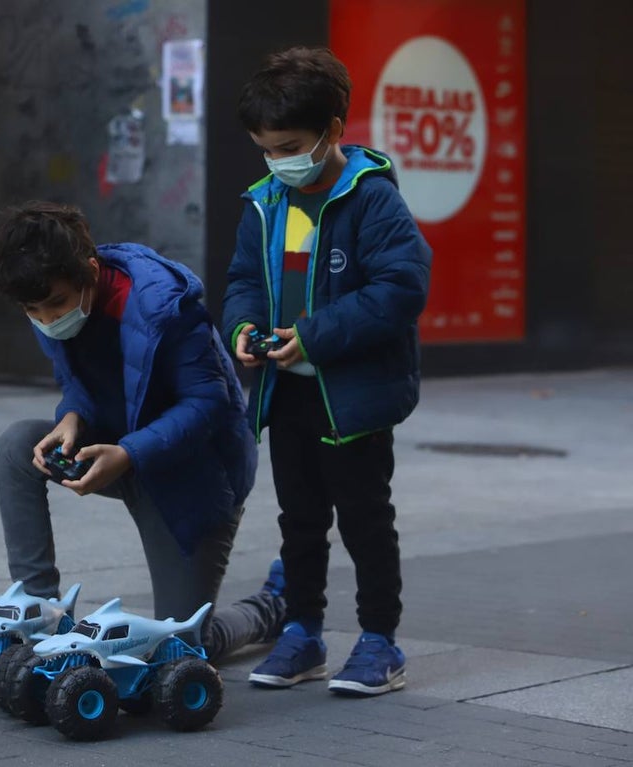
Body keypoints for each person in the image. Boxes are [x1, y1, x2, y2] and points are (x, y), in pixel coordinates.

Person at [221, 46, 432, 695]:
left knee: (366, 519)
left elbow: (403, 286)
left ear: (333, 130)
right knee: (300, 519)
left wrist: (313, 336)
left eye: (289, 145)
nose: (277, 160)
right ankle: (302, 632)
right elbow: (243, 282)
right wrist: (245, 331)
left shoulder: (370, 201)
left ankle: (379, 642)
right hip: (287, 395)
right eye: (265, 148)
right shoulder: (265, 203)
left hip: (353, 398)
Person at [0, 200, 284, 662]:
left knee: (181, 650)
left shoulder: (165, 307)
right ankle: (40, 608)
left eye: (56, 306)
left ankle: (273, 606)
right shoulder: (53, 298)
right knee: (16, 447)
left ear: (89, 271)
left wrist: (127, 454)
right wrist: (72, 416)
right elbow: (75, 379)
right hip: (114, 448)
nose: (47, 321)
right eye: (34, 310)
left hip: (194, 475)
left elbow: (208, 403)